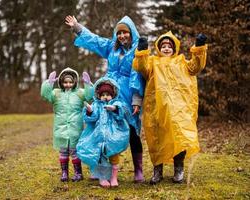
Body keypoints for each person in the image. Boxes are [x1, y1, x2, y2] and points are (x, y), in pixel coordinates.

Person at [65, 15, 145, 183]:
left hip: (129, 95)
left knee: (132, 132)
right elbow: (94, 40)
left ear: (132, 33)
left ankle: (138, 170)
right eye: (119, 33)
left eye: (125, 32)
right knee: (101, 129)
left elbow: (139, 75)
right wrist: (77, 27)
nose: (122, 36)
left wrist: (137, 99)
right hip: (109, 92)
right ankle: (100, 168)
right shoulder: (111, 47)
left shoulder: (139, 51)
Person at [132, 31, 208, 184]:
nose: (166, 48)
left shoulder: (181, 62)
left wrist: (199, 48)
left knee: (178, 137)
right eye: (163, 46)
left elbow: (195, 67)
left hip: (179, 109)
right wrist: (142, 51)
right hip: (157, 108)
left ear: (174, 48)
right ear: (159, 48)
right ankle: (157, 171)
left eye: (169, 46)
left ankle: (178, 169)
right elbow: (141, 67)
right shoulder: (152, 62)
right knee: (157, 138)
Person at [40, 67, 93, 182]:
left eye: (70, 82)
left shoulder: (80, 93)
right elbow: (45, 95)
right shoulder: (56, 94)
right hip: (61, 126)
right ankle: (64, 173)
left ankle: (78, 173)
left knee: (74, 151)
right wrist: (48, 84)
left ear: (74, 82)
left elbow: (89, 96)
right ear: (61, 82)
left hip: (75, 127)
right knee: (63, 150)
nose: (68, 84)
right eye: (65, 82)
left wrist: (88, 84)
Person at [76, 77, 130, 188]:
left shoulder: (117, 103)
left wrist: (114, 108)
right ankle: (103, 177)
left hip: (114, 137)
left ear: (113, 94)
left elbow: (122, 113)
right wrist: (90, 111)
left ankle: (113, 177)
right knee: (100, 156)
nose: (105, 97)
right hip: (99, 137)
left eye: (108, 94)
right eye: (103, 94)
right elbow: (91, 118)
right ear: (99, 95)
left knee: (114, 157)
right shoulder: (97, 105)